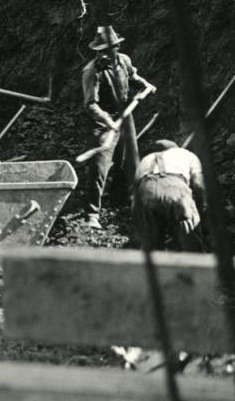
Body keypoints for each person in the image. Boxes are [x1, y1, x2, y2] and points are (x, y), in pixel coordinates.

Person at [81, 25, 156, 227]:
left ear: (116, 47)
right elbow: (90, 104)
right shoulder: (91, 72)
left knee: (128, 160)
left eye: (107, 50)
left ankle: (120, 200)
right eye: (100, 51)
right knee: (99, 166)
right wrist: (109, 122)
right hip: (102, 121)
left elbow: (132, 76)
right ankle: (92, 214)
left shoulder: (124, 60)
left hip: (125, 115)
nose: (103, 55)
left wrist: (145, 84)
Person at [132, 139, 207, 251]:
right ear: (176, 147)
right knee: (190, 242)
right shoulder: (186, 154)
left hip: (145, 192)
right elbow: (198, 184)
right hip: (175, 189)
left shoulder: (145, 160)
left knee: (151, 245)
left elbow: (135, 191)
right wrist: (202, 211)